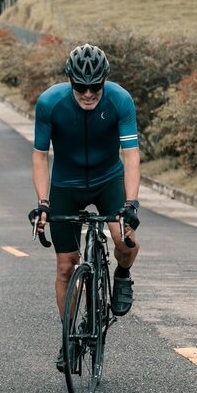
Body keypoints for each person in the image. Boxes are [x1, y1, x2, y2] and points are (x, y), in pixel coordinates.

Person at [29, 44, 141, 372]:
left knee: (126, 240)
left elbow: (131, 154)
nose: (89, 93)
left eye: (95, 87)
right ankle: (70, 337)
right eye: (81, 86)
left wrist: (131, 203)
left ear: (104, 82)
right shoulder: (50, 103)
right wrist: (43, 203)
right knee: (66, 266)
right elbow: (39, 155)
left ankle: (122, 274)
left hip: (108, 180)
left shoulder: (120, 100)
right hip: (66, 183)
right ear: (70, 81)